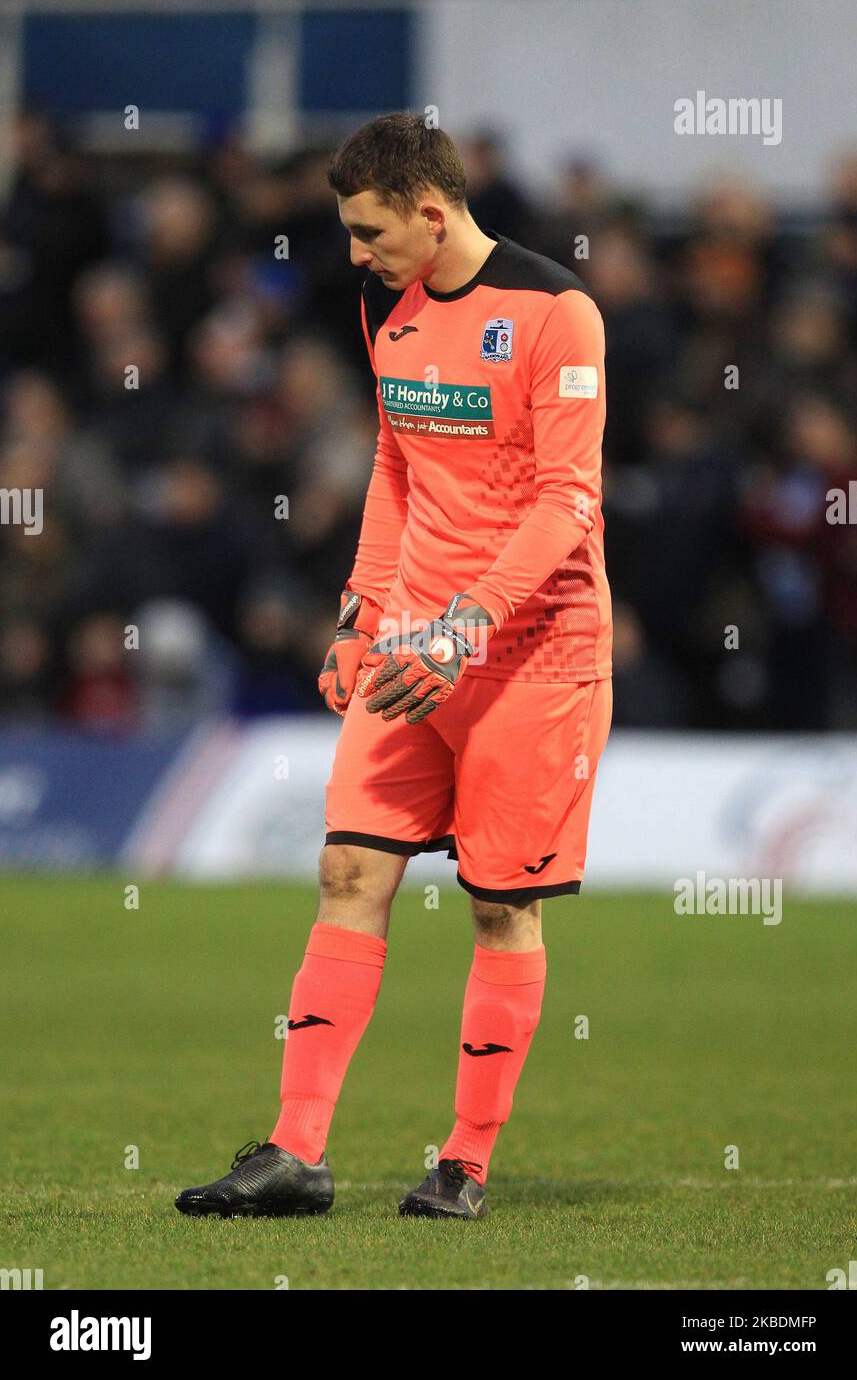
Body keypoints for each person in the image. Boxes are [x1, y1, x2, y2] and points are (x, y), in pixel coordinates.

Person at [175, 111, 613, 1222]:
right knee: (346, 875)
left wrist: (464, 623)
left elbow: (567, 502)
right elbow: (395, 458)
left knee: (498, 909)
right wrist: (365, 612)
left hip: (529, 655)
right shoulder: (385, 303)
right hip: (412, 642)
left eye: (368, 232)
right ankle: (294, 1153)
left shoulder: (557, 314)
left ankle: (462, 1163)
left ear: (431, 210)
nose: (354, 256)